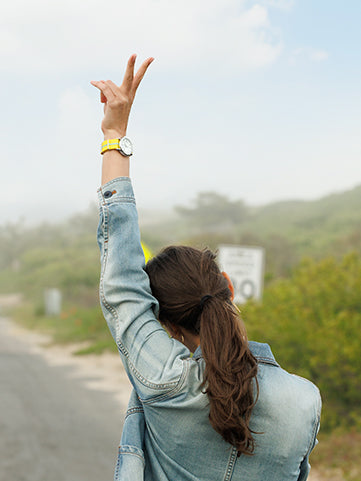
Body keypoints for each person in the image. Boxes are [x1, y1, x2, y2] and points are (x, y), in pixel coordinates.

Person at [91, 55, 321, 481]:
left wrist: (114, 135)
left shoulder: (165, 381)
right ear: (228, 286)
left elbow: (121, 283)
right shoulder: (304, 401)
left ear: (166, 325)